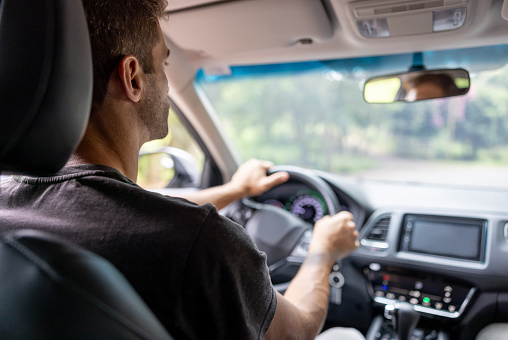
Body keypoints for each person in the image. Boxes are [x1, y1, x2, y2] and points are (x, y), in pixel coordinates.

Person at [0, 0, 363, 339]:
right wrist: (323, 251)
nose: (167, 83)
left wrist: (235, 190)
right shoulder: (203, 245)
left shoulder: (8, 211)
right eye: (164, 63)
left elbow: (130, 208)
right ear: (133, 78)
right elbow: (298, 329)